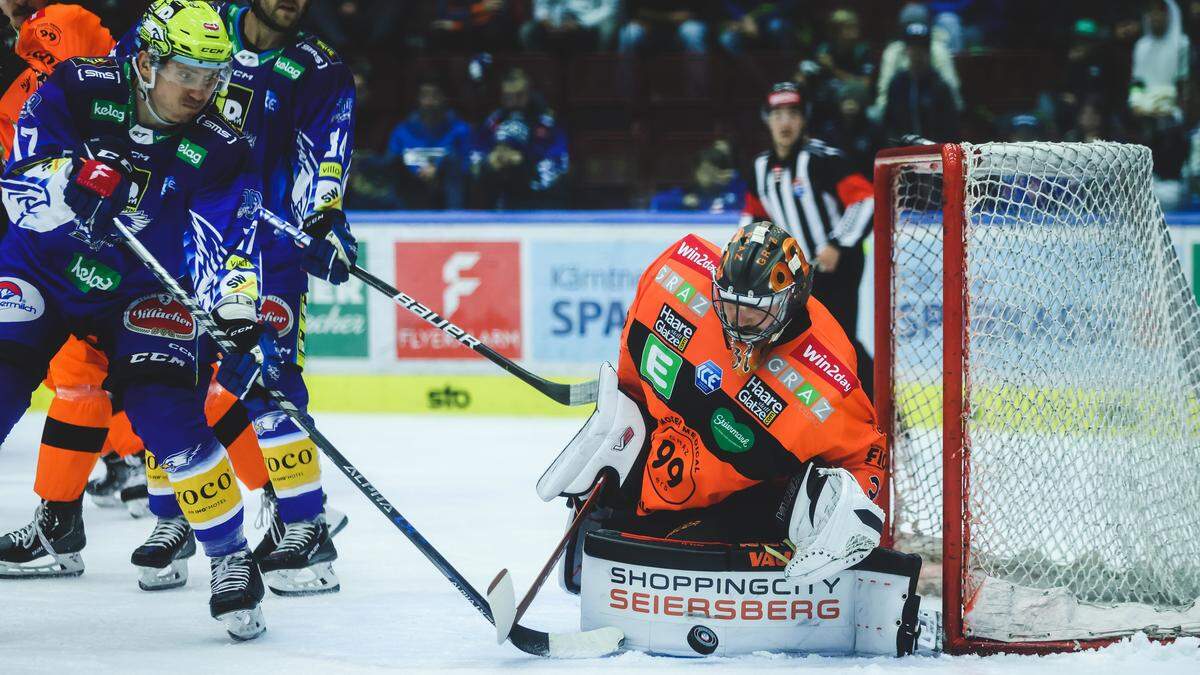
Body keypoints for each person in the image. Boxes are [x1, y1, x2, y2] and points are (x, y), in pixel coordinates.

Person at [0, 0, 269, 639]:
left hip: (144, 292)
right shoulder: (78, 86)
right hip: (41, 267)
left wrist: (233, 301)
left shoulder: (222, 144)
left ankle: (231, 558)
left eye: (213, 75)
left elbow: (228, 238)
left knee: (165, 413)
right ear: (146, 61)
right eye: (186, 72)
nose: (201, 90)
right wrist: (73, 187)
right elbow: (19, 190)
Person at [535, 222, 925, 656]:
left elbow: (865, 457)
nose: (737, 323)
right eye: (729, 304)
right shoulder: (675, 274)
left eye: (754, 312)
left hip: (737, 502)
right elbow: (632, 361)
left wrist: (849, 516)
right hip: (661, 468)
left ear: (790, 301)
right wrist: (623, 416)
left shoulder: (828, 380)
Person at [114, 0, 358, 597]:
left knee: (270, 385)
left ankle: (305, 525)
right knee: (168, 376)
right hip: (175, 236)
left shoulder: (317, 67)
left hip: (268, 251)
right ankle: (173, 517)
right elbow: (124, 89)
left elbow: (326, 153)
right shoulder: (193, 26)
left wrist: (322, 219)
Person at [742, 82, 875, 398]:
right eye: (777, 115)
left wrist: (837, 243)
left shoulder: (823, 159)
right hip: (797, 274)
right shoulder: (760, 168)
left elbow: (866, 200)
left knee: (839, 342)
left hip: (838, 267)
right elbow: (753, 218)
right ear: (767, 120)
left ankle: (877, 406)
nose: (784, 122)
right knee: (800, 341)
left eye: (792, 114)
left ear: (803, 120)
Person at [471, 67, 568, 209]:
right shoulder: (495, 119)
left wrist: (523, 160)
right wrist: (489, 160)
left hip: (537, 193)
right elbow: (476, 151)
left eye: (520, 95)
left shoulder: (546, 121)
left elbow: (560, 159)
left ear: (529, 93)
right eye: (509, 97)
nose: (514, 102)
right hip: (499, 189)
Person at [386, 77, 471, 210]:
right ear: (418, 99)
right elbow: (390, 162)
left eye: (435, 95)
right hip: (410, 191)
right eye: (425, 95)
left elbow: (467, 165)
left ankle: (454, 219)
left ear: (444, 98)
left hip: (447, 194)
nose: (429, 102)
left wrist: (438, 168)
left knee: (453, 160)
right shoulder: (402, 130)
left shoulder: (460, 130)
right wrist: (417, 171)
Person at [881, 23, 960, 143]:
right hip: (904, 152)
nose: (917, 53)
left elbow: (950, 128)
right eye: (913, 47)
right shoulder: (897, 84)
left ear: (928, 51)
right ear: (906, 50)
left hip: (934, 152)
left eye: (921, 47)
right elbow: (890, 124)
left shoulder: (939, 86)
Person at [650, 144, 745, 213]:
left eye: (713, 171)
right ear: (695, 171)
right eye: (705, 170)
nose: (708, 175)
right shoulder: (686, 192)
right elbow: (657, 201)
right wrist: (682, 200)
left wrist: (734, 179)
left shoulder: (733, 192)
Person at [519, 0, 620, 52]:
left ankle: (597, 77)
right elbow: (541, 5)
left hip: (590, 20)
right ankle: (543, 79)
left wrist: (581, 23)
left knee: (608, 30)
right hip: (556, 21)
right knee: (527, 31)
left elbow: (609, 9)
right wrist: (545, 18)